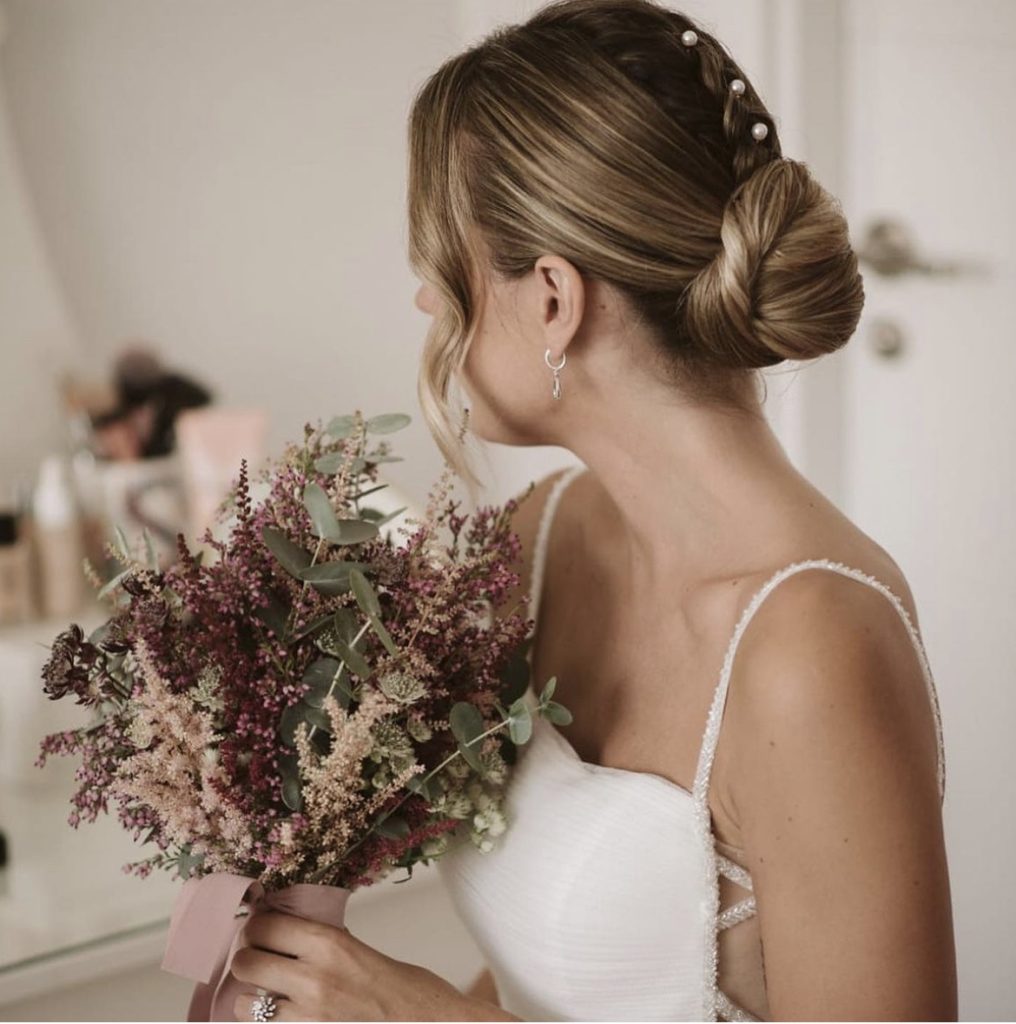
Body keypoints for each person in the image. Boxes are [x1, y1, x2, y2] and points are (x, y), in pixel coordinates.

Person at [227, 2, 956, 1019]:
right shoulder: (537, 539)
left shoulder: (810, 648)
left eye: (445, 270)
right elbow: (567, 965)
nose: (426, 308)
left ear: (554, 300)